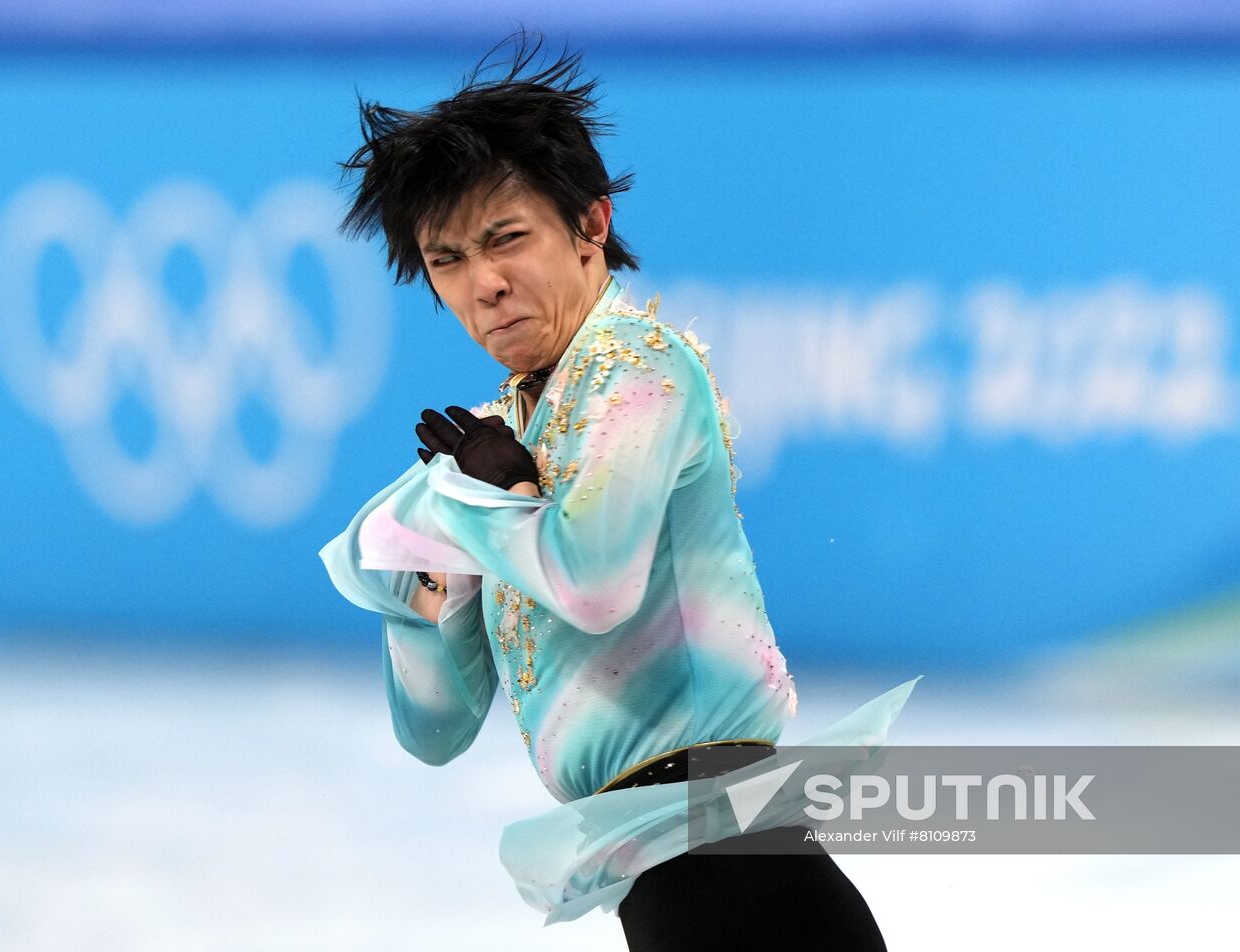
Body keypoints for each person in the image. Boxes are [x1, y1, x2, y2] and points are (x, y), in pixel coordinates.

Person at [319, 33, 914, 950]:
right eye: (445, 261)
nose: (484, 285)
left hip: (743, 866)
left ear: (591, 224)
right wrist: (422, 595)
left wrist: (485, 502)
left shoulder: (642, 369)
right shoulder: (495, 440)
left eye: (506, 238)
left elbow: (592, 586)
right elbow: (436, 729)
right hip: (661, 879)